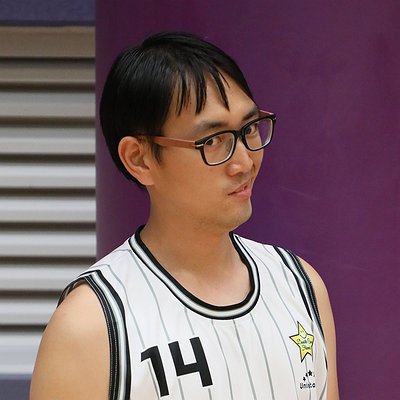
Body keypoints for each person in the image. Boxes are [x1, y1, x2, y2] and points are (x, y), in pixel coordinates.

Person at [30, 32, 339, 399]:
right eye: (213, 141)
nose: (244, 162)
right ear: (139, 159)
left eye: (249, 129)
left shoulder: (300, 286)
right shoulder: (91, 325)